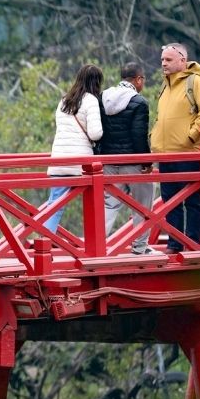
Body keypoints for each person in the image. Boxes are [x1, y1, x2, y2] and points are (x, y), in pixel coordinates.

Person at [150, 43, 200, 253]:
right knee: (170, 202)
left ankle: (193, 243)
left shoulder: (195, 82)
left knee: (192, 201)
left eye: (168, 60)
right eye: (162, 60)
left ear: (182, 60)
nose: (163, 63)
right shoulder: (165, 86)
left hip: (188, 153)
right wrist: (154, 138)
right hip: (165, 154)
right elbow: (161, 118)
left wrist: (190, 136)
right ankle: (174, 244)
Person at [98, 63, 158, 255]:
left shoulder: (103, 97)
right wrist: (147, 163)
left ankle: (97, 248)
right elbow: (138, 136)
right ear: (138, 79)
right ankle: (140, 248)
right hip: (132, 164)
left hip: (107, 162)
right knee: (143, 204)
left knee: (108, 204)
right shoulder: (139, 102)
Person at [43, 64, 103, 233]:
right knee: (94, 202)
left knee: (55, 204)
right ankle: (95, 242)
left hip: (59, 159)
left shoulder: (64, 100)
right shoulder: (90, 100)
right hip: (81, 164)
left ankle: (44, 240)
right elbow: (95, 133)